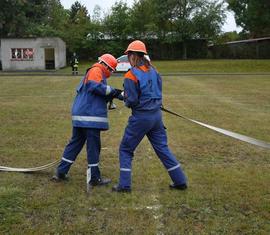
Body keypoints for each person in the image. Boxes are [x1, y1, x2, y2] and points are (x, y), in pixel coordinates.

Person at [112, 40, 187, 192]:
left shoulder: (131, 75)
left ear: (133, 55)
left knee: (125, 149)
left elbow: (132, 100)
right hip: (156, 117)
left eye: (129, 55)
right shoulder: (154, 71)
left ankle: (124, 185)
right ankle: (180, 181)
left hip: (141, 117)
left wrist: (124, 98)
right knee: (163, 149)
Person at [52, 54, 123, 187]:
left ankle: (61, 172)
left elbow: (95, 93)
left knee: (75, 144)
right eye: (112, 70)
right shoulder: (97, 70)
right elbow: (95, 87)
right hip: (90, 116)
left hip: (81, 115)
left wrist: (115, 95)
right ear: (106, 65)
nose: (111, 73)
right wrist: (115, 92)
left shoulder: (94, 71)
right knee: (93, 147)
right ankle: (94, 178)